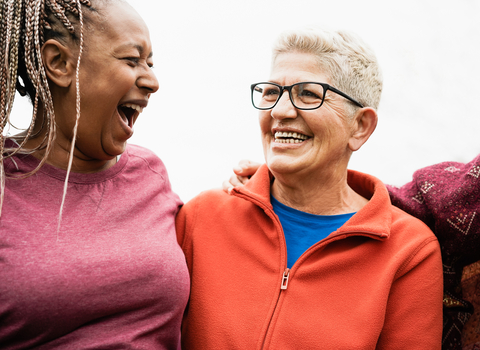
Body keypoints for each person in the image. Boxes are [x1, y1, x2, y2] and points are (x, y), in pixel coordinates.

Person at [177, 27, 443, 349]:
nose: (279, 111)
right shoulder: (201, 217)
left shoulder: (409, 252)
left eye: (308, 94)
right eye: (271, 92)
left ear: (360, 126)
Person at [0, 0, 189, 348]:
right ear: (59, 62)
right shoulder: (3, 186)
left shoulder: (151, 174)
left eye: (150, 62)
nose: (152, 81)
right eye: (132, 60)